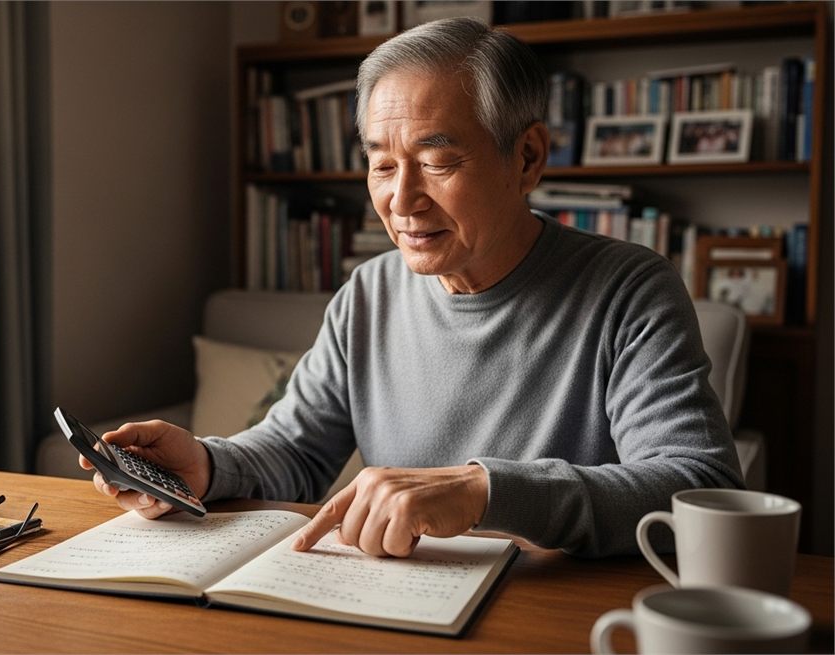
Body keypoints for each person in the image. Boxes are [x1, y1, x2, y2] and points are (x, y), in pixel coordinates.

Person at [80, 17, 743, 558]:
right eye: (381, 165)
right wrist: (203, 464)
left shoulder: (630, 290)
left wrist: (484, 491)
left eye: (437, 161)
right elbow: (295, 449)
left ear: (527, 157)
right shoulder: (368, 294)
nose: (401, 200)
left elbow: (700, 485)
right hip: (402, 606)